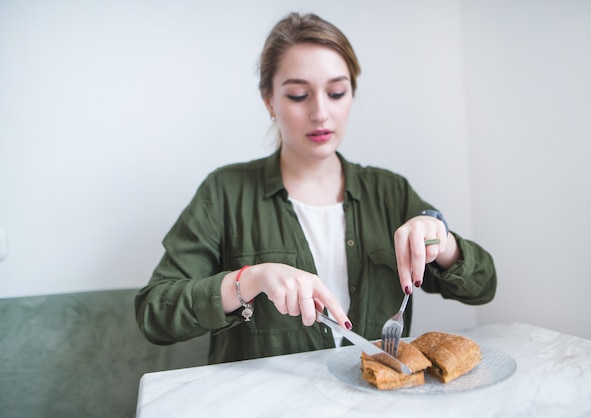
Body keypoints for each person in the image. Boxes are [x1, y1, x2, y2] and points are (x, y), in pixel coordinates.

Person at [135, 12, 496, 364]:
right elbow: (154, 312)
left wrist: (442, 242)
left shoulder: (390, 192)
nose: (321, 113)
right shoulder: (224, 193)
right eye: (298, 96)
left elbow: (483, 286)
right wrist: (249, 280)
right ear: (269, 101)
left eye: (337, 92)